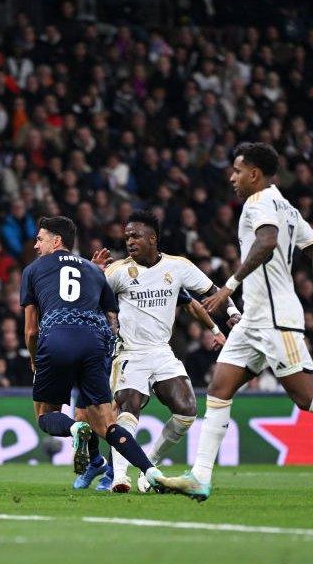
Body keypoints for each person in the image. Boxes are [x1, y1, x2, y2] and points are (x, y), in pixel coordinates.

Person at [157, 142, 313, 501]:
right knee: (219, 389)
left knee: (306, 397)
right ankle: (200, 476)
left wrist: (228, 286)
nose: (232, 177)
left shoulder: (258, 203)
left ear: (254, 174)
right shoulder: (287, 206)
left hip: (276, 320)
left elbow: (266, 242)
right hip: (254, 320)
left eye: (237, 171)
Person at [92, 209, 232, 493]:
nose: (130, 241)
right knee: (129, 407)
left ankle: (149, 466)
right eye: (127, 236)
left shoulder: (177, 267)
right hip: (130, 352)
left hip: (161, 351)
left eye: (136, 236)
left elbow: (209, 292)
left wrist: (230, 313)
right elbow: (91, 297)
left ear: (153, 238)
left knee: (187, 411)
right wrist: (94, 274)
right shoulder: (118, 271)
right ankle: (120, 477)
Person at [21, 216, 164, 489]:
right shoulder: (94, 270)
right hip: (94, 344)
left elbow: (31, 330)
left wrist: (34, 360)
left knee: (44, 415)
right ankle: (151, 471)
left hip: (56, 340)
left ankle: (75, 430)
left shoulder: (33, 269)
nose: (36, 246)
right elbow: (111, 315)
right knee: (108, 424)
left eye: (40, 239)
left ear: (56, 240)